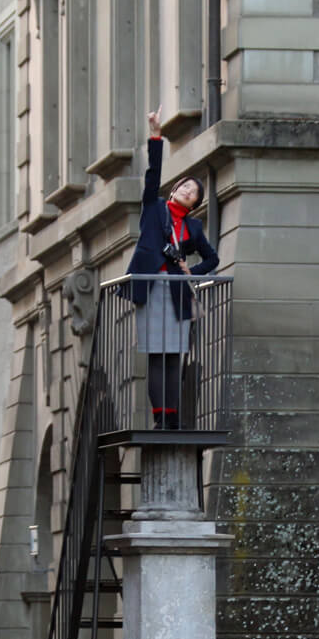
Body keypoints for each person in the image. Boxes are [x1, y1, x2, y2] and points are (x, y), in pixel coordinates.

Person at [123, 106, 219, 429]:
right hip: (151, 287)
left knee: (174, 356)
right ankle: (160, 418)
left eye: (193, 193)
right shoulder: (155, 208)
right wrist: (155, 135)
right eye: (185, 187)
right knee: (155, 356)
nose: (187, 191)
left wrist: (194, 273)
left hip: (177, 291)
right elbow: (152, 174)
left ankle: (173, 418)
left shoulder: (193, 228)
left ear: (195, 204)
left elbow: (213, 259)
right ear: (175, 188)